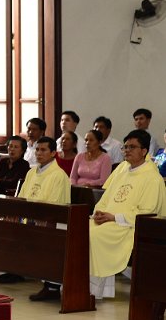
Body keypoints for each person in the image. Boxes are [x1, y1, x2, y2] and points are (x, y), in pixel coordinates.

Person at [89, 129, 166, 299]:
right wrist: (99, 213)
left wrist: (113, 217)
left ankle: (92, 291)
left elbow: (147, 213)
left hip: (130, 227)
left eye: (132, 147)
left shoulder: (153, 178)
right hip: (110, 221)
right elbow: (105, 199)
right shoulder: (122, 171)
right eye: (125, 147)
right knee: (79, 229)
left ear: (144, 151)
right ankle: (76, 285)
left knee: (95, 235)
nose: (127, 150)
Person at [19, 136, 72, 301]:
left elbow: (55, 204)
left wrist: (38, 219)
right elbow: (21, 198)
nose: (39, 153)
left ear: (53, 153)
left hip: (52, 222)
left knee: (48, 242)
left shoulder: (59, 175)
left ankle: (52, 286)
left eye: (43, 150)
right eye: (37, 149)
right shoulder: (31, 172)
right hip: (32, 219)